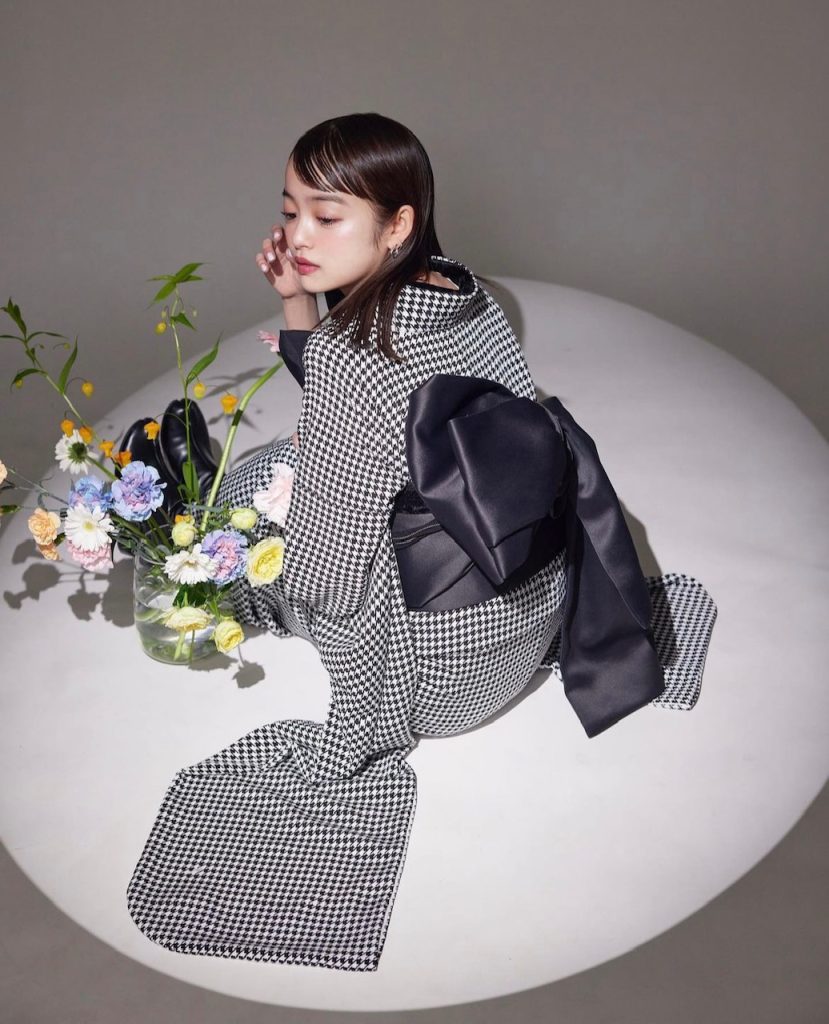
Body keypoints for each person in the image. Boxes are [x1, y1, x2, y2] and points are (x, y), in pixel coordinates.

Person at [127, 113, 718, 972]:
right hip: (525, 626)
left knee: (253, 494)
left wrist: (250, 553)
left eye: (326, 216)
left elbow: (329, 567)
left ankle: (174, 507)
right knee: (297, 465)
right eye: (289, 212)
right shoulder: (467, 295)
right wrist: (297, 304)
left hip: (426, 683)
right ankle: (199, 491)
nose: (298, 236)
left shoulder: (350, 358)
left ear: (397, 223)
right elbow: (374, 403)